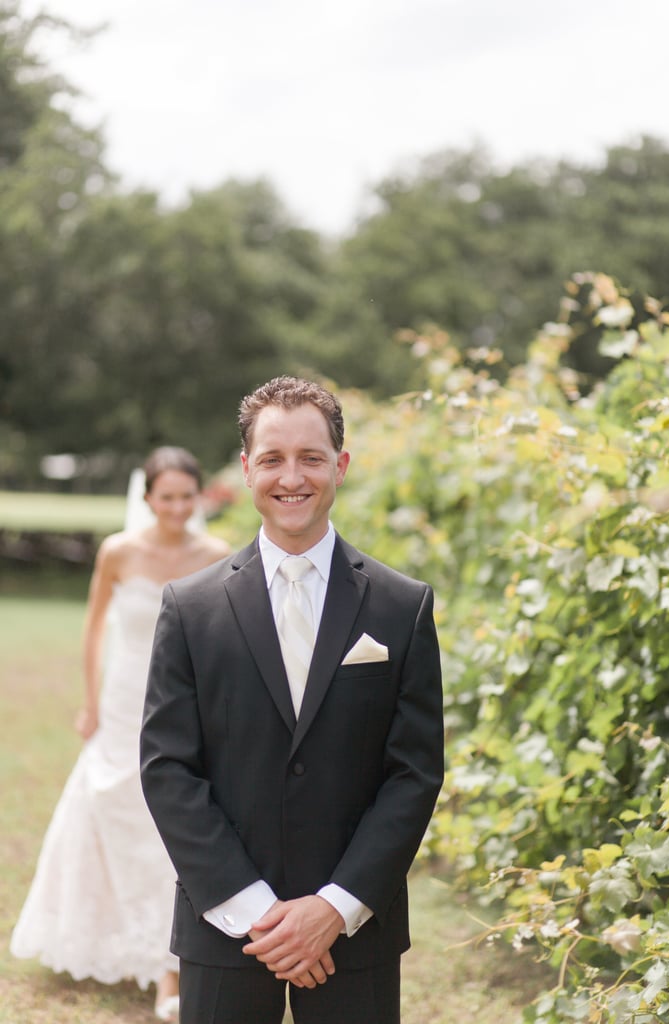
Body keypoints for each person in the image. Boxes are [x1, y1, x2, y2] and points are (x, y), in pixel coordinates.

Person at [140, 377, 444, 1024]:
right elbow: (168, 770)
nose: (291, 476)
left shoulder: (402, 606)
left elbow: (413, 773)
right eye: (272, 459)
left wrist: (334, 907)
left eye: (310, 457)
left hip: (354, 934)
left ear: (340, 464)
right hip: (225, 925)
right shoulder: (189, 609)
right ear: (247, 470)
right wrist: (259, 913)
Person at [11, 447, 230, 1022]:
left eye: (187, 496)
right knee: (107, 811)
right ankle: (109, 937)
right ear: (147, 497)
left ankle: (171, 966)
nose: (178, 507)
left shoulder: (218, 556)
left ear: (198, 497)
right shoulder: (118, 551)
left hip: (186, 705)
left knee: (172, 828)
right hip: (122, 699)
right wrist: (89, 701)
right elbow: (92, 630)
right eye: (167, 497)